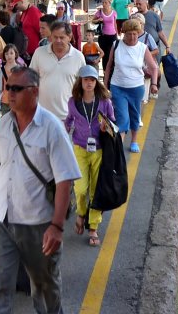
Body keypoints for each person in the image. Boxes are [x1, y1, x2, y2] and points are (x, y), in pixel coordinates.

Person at [0, 66, 81, 314]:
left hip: (38, 224)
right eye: (8, 88)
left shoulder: (51, 128)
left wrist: (57, 227)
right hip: (2, 219)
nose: (10, 93)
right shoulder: (5, 122)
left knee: (44, 291)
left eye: (17, 88)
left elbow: (65, 180)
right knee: (0, 287)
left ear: (34, 92)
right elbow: (2, 165)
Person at [64, 65, 116, 247]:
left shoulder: (104, 102)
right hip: (80, 149)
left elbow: (113, 121)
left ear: (96, 82)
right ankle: (81, 213)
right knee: (80, 188)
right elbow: (69, 120)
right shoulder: (73, 102)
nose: (89, 83)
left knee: (95, 190)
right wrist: (63, 131)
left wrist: (106, 126)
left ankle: (93, 227)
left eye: (92, 80)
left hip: (99, 150)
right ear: (80, 81)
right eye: (86, 79)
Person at [104, 20, 158, 154]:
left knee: (135, 115)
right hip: (117, 87)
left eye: (135, 34)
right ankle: (119, 146)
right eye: (129, 34)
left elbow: (154, 67)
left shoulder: (142, 48)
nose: (132, 37)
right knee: (122, 117)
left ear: (138, 33)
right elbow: (109, 66)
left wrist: (154, 84)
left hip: (136, 88)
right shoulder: (116, 45)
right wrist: (105, 85)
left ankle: (134, 140)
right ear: (123, 33)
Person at [28, 22, 86, 122]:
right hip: (42, 116)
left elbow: (83, 86)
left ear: (69, 37)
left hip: (67, 118)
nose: (58, 40)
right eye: (55, 37)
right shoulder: (39, 53)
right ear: (50, 36)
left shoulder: (78, 57)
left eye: (62, 37)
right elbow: (30, 80)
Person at [91, 0, 119, 67]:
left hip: (112, 36)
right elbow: (92, 21)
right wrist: (98, 20)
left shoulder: (114, 12)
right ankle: (105, 70)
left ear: (109, 3)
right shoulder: (100, 12)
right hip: (103, 36)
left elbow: (115, 24)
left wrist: (117, 34)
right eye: (103, 2)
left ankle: (111, 70)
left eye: (105, 2)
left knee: (111, 53)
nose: (104, 4)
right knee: (104, 54)